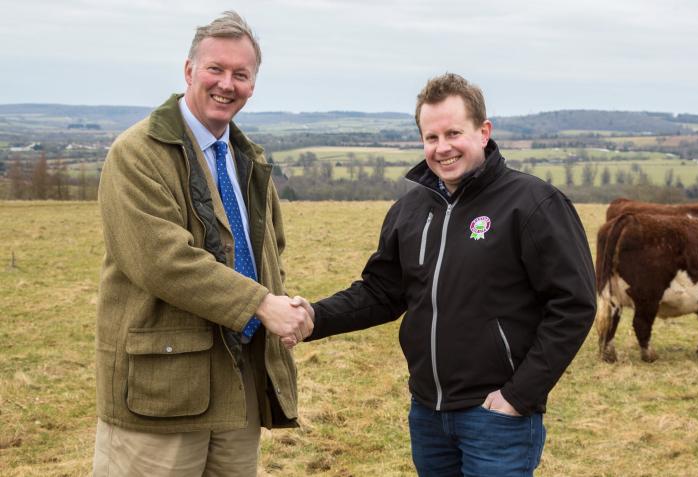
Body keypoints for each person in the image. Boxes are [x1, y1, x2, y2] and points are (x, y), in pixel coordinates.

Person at [291, 73, 596, 476]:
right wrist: (313, 317)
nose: (442, 148)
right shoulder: (410, 210)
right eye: (431, 137)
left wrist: (518, 396)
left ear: (483, 132)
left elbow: (574, 304)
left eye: (454, 133)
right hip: (427, 416)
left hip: (497, 416)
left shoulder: (533, 204)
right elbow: (382, 292)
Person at [93, 11, 313, 476]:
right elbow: (162, 261)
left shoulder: (245, 157)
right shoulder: (137, 154)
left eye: (241, 74)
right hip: (161, 394)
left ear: (253, 85)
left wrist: (284, 306)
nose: (226, 84)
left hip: (239, 387)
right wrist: (261, 305)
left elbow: (270, 249)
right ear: (189, 70)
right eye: (215, 68)